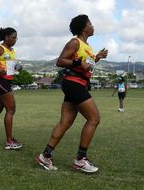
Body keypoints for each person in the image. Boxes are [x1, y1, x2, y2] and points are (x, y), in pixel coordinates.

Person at [36, 14, 108, 173]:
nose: (93, 26)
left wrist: (97, 58)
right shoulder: (75, 42)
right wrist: (77, 62)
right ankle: (81, 159)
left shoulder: (86, 46)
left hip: (78, 84)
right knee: (94, 119)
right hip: (74, 84)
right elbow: (60, 61)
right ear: (84, 28)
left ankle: (45, 155)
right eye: (91, 23)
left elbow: (85, 65)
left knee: (65, 122)